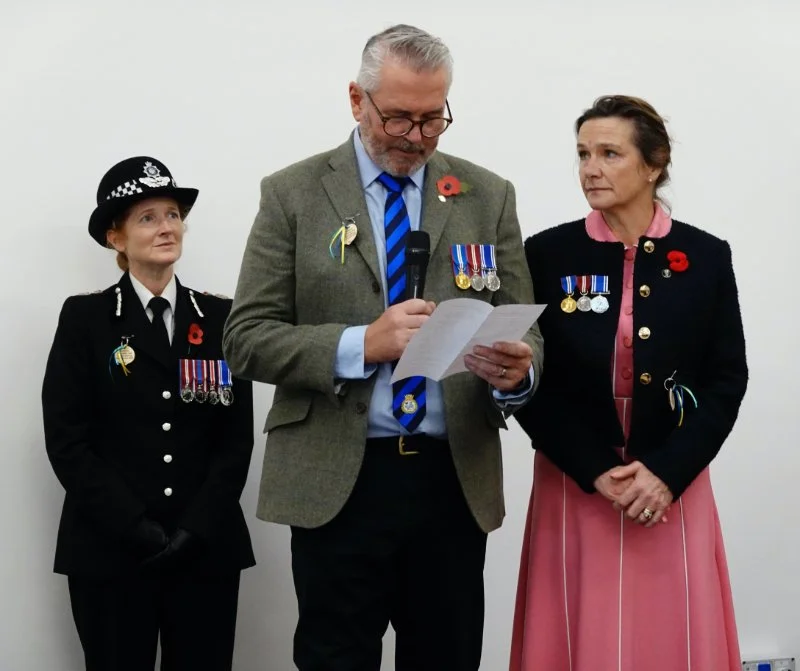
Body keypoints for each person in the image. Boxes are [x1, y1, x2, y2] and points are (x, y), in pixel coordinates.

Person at [223, 24, 543, 671]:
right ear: (356, 99)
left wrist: (518, 371)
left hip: (450, 479)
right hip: (339, 481)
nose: (417, 137)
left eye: (433, 118)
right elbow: (246, 337)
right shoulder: (292, 194)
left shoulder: (488, 194)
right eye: (399, 117)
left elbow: (527, 327)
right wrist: (359, 343)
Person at [510, 95, 748, 670]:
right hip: (576, 475)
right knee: (574, 632)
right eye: (584, 154)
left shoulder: (706, 256)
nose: (590, 169)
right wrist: (593, 468)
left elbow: (725, 379)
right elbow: (528, 378)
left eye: (609, 153)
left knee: (672, 636)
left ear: (654, 163)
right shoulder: (546, 253)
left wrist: (667, 473)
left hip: (672, 478)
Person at [41, 156, 255, 671]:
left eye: (173, 214)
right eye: (148, 218)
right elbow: (67, 440)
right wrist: (135, 526)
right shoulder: (85, 319)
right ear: (116, 238)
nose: (167, 227)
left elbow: (236, 440)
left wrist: (195, 528)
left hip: (204, 548)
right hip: (109, 550)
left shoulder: (222, 317)